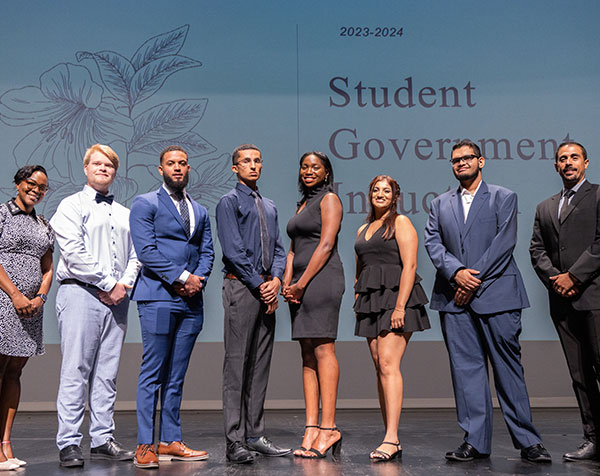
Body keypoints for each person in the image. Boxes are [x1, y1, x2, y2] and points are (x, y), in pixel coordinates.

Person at [424, 139, 551, 463]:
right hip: (455, 298)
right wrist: (457, 274)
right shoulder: (439, 204)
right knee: (467, 371)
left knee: (508, 368)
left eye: (467, 158)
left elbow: (504, 242)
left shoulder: (503, 196)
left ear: (481, 161)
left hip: (497, 294)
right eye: (456, 160)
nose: (461, 163)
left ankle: (528, 441)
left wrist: (472, 277)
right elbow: (434, 243)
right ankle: (475, 441)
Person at [51, 144, 141, 467]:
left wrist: (123, 285)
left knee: (107, 372)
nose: (103, 169)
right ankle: (69, 442)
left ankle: (102, 438)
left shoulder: (125, 213)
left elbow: (137, 255)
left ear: (114, 172)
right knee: (76, 368)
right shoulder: (70, 206)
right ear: (86, 168)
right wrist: (108, 283)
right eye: (98, 163)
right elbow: (73, 253)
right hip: (81, 293)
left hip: (117, 299)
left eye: (109, 165)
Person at [129, 145, 214, 469]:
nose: (177, 168)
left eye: (182, 163)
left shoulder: (200, 210)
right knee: (153, 373)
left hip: (191, 302)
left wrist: (198, 279)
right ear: (160, 169)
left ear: (188, 168)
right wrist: (181, 277)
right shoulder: (145, 203)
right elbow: (147, 251)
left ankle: (170, 439)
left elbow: (207, 251)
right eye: (171, 164)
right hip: (158, 296)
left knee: (176, 375)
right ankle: (145, 444)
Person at [216, 144, 291, 463]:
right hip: (242, 288)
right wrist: (261, 286)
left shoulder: (270, 205)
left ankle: (255, 434)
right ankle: (235, 440)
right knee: (237, 365)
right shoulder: (228, 203)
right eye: (246, 161)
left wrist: (275, 280)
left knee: (260, 364)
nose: (253, 165)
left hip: (265, 290)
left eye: (257, 160)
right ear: (235, 168)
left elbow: (278, 247)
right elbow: (233, 250)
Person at [530, 141, 600, 461]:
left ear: (586, 163)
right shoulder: (546, 206)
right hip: (562, 301)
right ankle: (593, 438)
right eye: (562, 159)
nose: (568, 163)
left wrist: (574, 276)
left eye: (574, 158)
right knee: (580, 374)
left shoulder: (598, 195)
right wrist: (556, 279)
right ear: (555, 166)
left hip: (594, 297)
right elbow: (537, 250)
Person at [354, 175, 430, 461]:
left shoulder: (401, 223)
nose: (380, 194)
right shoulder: (363, 228)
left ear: (395, 196)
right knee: (379, 367)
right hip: (371, 302)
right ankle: (389, 435)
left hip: (397, 299)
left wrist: (400, 307)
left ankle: (392, 438)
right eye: (376, 189)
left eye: (386, 190)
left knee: (388, 364)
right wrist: (357, 294)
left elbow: (410, 266)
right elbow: (361, 268)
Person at [282, 151, 345, 461]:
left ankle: (329, 427)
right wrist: (286, 282)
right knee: (306, 353)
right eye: (304, 167)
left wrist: (302, 283)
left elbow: (326, 244)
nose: (308, 171)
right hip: (298, 286)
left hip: (321, 281)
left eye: (315, 167)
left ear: (326, 173)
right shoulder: (302, 204)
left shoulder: (329, 200)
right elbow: (293, 250)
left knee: (323, 349)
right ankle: (310, 427)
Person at [0, 166, 53, 470]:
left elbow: (48, 266)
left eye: (42, 187)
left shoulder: (44, 224)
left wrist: (39, 298)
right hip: (5, 301)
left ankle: (6, 443)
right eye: (31, 184)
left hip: (32, 308)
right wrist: (16, 296)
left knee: (14, 372)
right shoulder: (2, 215)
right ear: (18, 183)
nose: (36, 190)